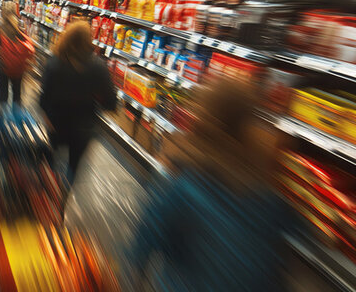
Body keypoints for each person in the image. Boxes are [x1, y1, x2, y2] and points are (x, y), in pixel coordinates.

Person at [127, 77, 302, 291]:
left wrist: (133, 278)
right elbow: (292, 236)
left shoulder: (184, 184)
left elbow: (145, 239)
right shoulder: (266, 190)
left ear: (204, 117)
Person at [39, 21, 116, 196]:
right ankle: (62, 198)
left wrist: (46, 116)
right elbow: (111, 102)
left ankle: (46, 193)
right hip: (83, 127)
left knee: (50, 157)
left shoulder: (54, 62)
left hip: (55, 122)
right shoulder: (98, 67)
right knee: (73, 165)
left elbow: (43, 96)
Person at [0, 2, 35, 104]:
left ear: (3, 13)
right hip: (18, 67)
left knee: (3, 91)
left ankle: (1, 116)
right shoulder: (20, 28)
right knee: (17, 93)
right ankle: (17, 117)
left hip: (3, 67)